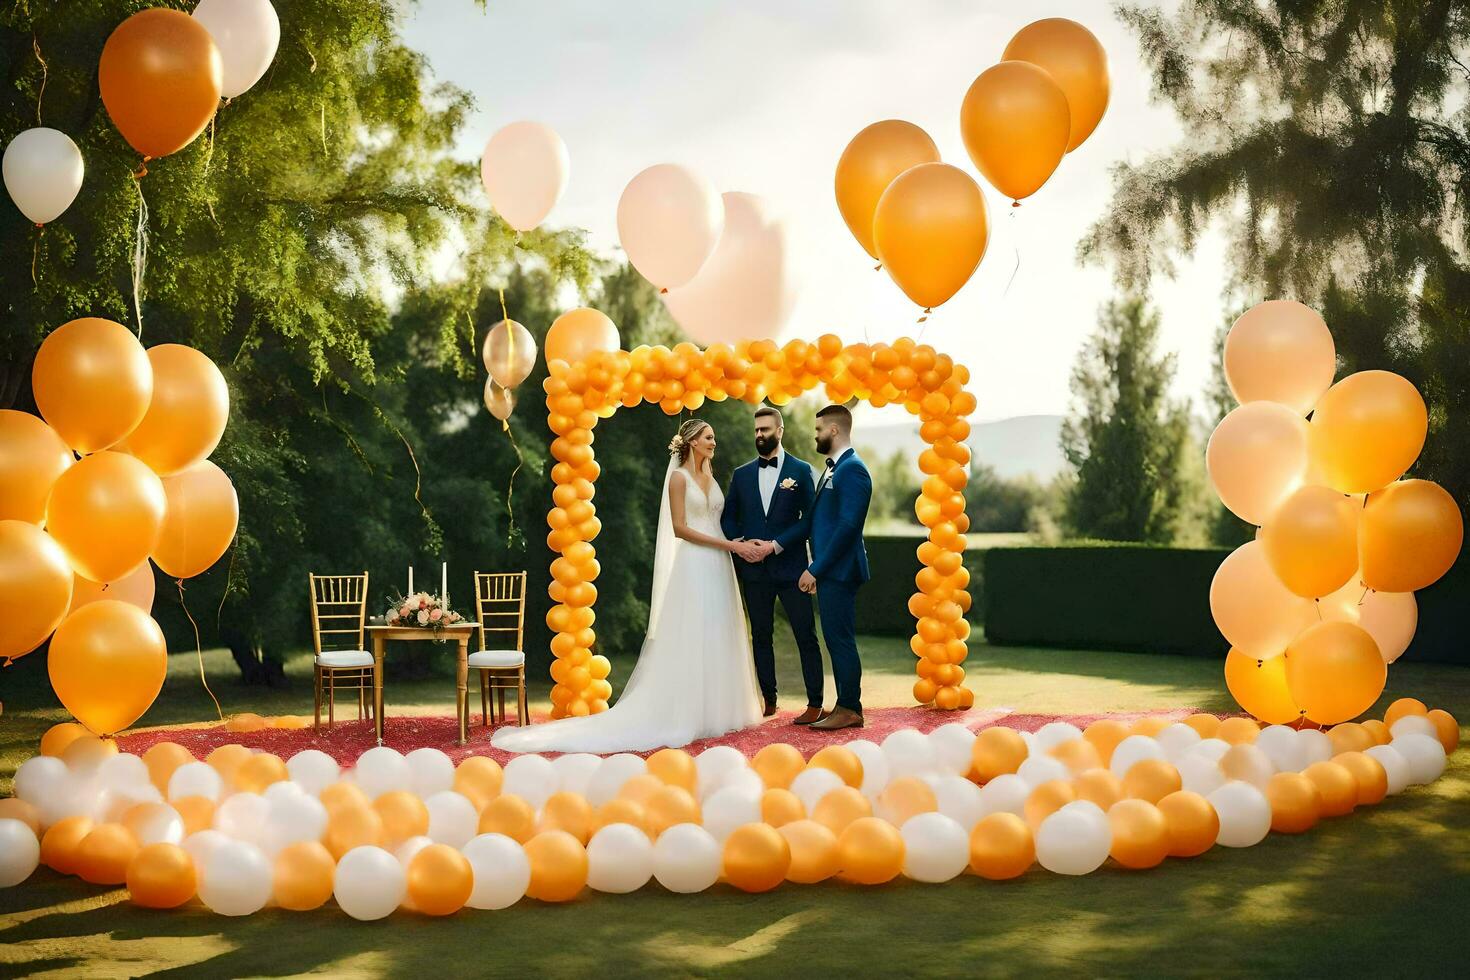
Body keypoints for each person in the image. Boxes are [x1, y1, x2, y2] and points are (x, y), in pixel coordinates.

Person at [492, 418, 763, 753]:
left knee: (717, 629)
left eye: (713, 437)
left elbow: (714, 521)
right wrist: (731, 547)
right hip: (694, 564)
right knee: (692, 633)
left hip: (718, 563)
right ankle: (685, 712)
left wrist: (734, 542)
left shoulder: (710, 475)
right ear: (692, 441)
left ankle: (716, 710)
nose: (713, 442)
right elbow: (680, 528)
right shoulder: (678, 479)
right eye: (709, 437)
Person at [720, 405, 825, 722]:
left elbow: (810, 519)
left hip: (792, 568)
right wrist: (740, 544)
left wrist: (775, 545)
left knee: (805, 634)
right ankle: (769, 699)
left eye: (765, 429)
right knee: (761, 636)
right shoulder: (741, 475)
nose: (759, 435)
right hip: (754, 570)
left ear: (780, 431)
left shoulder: (801, 469)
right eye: (756, 430)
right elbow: (727, 517)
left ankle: (815, 703)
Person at [799, 404, 872, 731]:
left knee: (840, 639)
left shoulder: (852, 469)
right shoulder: (832, 469)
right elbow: (819, 522)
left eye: (818, 430)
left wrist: (817, 569)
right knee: (835, 637)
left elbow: (847, 527)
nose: (815, 436)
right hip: (830, 569)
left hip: (840, 570)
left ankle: (849, 707)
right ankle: (845, 702)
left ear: (833, 431)